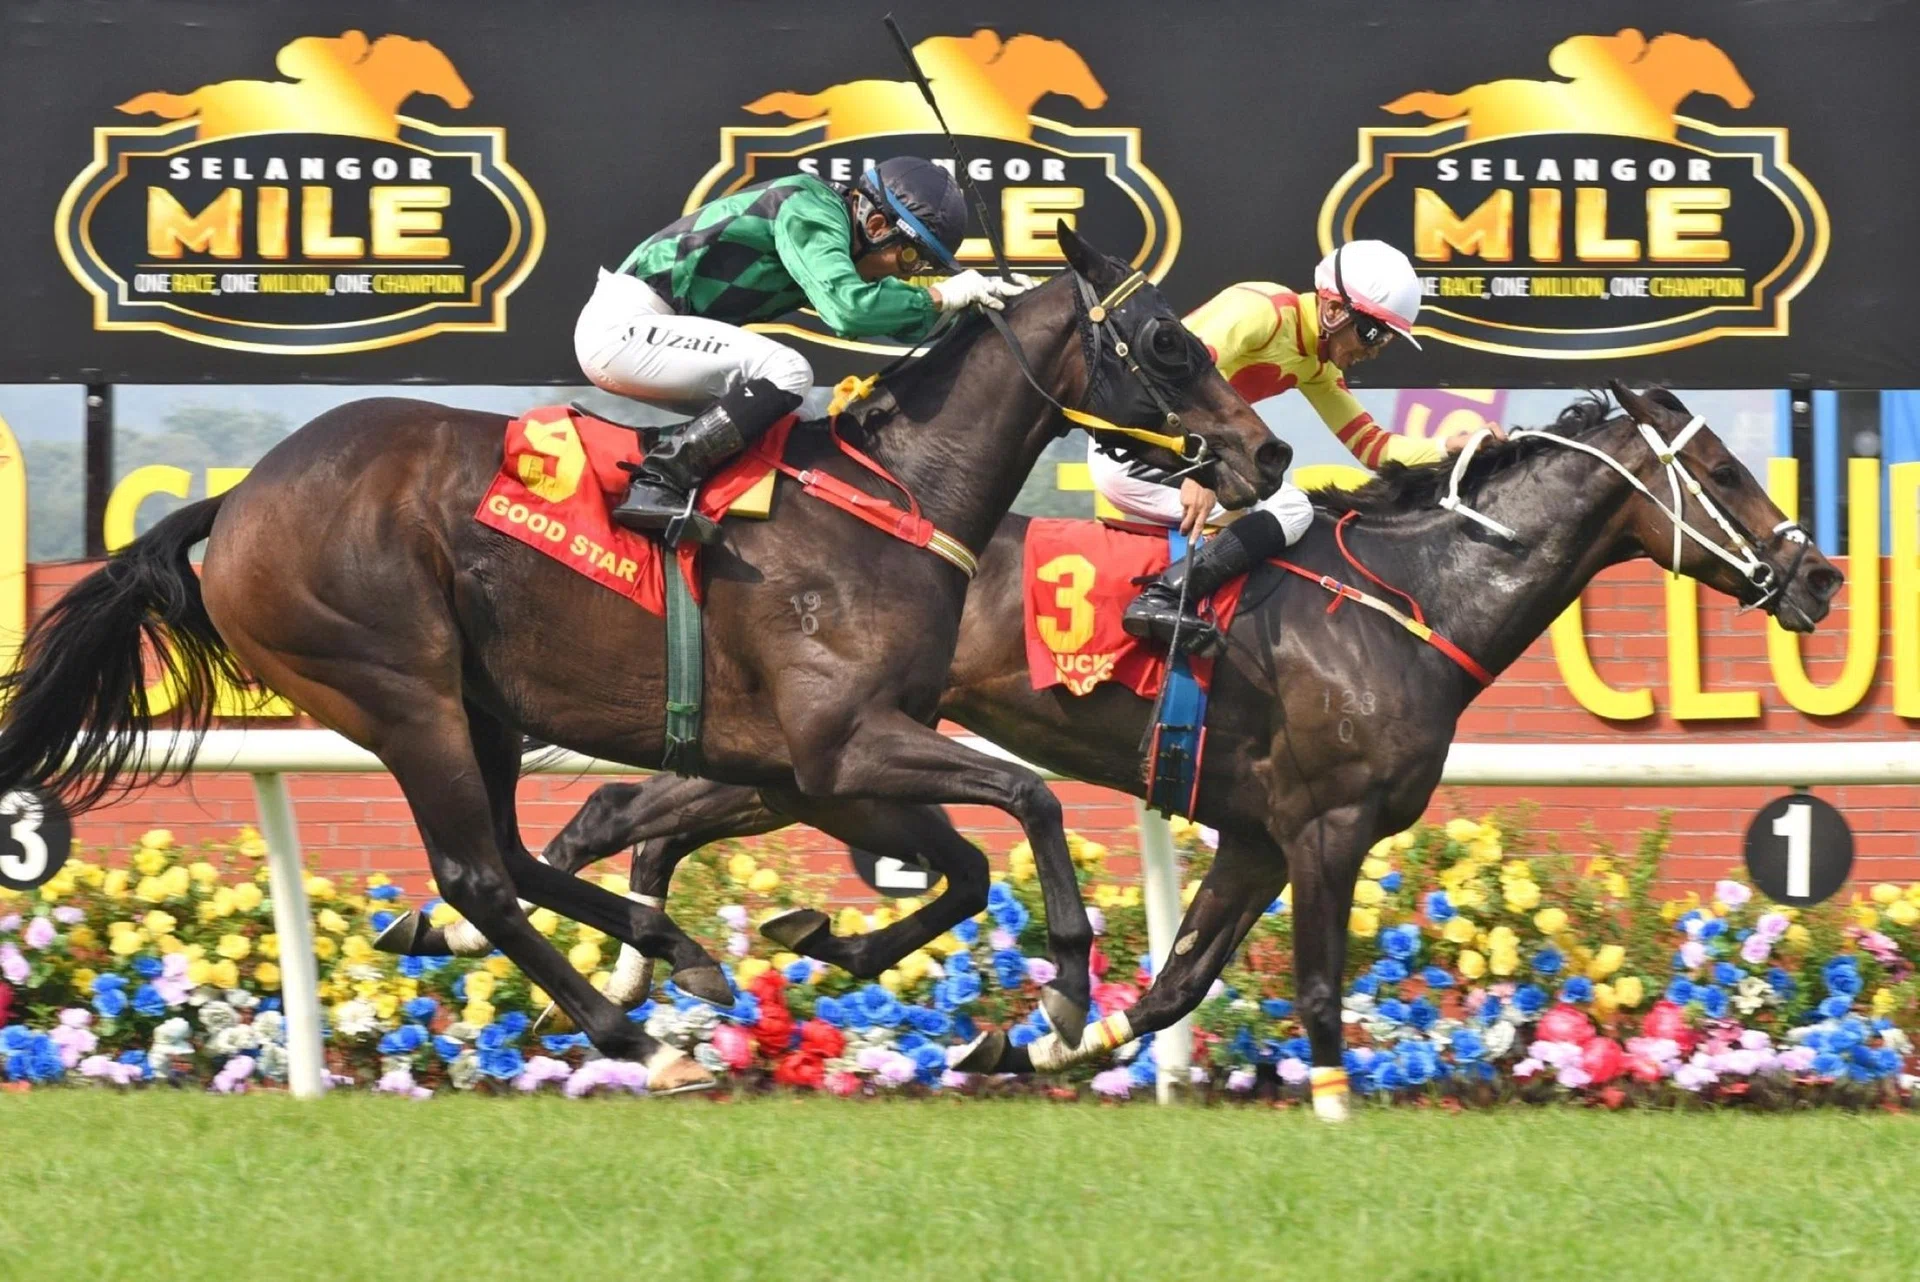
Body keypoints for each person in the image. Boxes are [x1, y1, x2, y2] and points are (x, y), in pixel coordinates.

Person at [574, 157, 1029, 544]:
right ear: (874, 225)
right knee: (788, 371)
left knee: (789, 418)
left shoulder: (832, 227)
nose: (912, 275)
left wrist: (979, 305)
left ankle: (712, 510)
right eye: (913, 259)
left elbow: (893, 319)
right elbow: (849, 310)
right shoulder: (810, 207)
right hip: (627, 327)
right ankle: (658, 483)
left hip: (651, 333)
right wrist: (941, 296)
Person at [1108, 239, 1501, 656]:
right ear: (1333, 310)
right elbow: (1169, 376)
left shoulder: (1316, 366)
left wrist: (1456, 445)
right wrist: (1198, 469)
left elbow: (1374, 448)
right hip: (1133, 446)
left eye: (1386, 339)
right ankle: (1164, 598)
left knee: (1291, 511)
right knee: (1291, 508)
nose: (1374, 349)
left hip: (1170, 457)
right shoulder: (1261, 310)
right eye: (1373, 332)